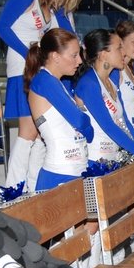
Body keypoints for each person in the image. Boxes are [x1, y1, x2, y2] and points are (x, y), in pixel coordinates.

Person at [0, 0, 82, 192]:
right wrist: (29, 55)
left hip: (38, 67)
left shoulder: (51, 3)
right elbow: (2, 27)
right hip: (21, 67)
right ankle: (12, 188)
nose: (60, 4)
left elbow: (68, 33)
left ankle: (33, 188)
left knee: (40, 135)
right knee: (29, 133)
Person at [75, 29, 134, 164]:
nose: (124, 52)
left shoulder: (111, 81)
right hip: (94, 161)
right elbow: (108, 125)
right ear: (103, 54)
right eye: (119, 48)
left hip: (113, 159)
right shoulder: (89, 83)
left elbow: (124, 122)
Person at [23, 28, 92, 192]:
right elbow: (80, 121)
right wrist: (88, 126)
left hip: (72, 170)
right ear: (55, 56)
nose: (80, 60)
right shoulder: (45, 81)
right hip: (60, 174)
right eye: (74, 55)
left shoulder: (55, 82)